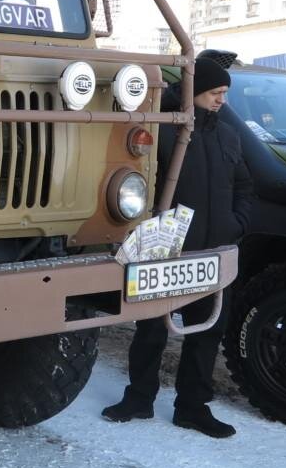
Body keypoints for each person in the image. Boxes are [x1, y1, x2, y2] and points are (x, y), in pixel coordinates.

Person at [102, 55, 254, 438]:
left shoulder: (228, 135)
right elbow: (140, 183)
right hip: (167, 250)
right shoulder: (162, 132)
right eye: (215, 92)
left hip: (214, 252)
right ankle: (138, 398)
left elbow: (244, 185)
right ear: (195, 91)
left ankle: (193, 407)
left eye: (223, 93)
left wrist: (236, 223)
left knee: (208, 331)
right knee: (152, 327)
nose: (221, 100)